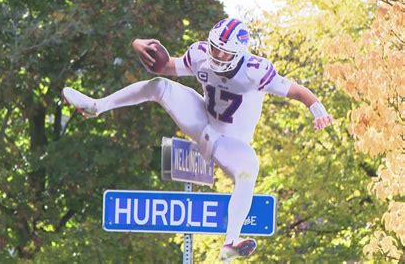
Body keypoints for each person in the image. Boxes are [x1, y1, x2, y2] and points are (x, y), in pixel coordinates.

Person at [62, 18, 333, 262]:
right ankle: (96, 106)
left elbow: (297, 90)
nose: (216, 55)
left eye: (223, 52)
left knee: (249, 169)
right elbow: (166, 67)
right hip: (202, 118)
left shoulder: (255, 71)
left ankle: (231, 241)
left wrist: (316, 108)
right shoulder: (201, 54)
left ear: (239, 54)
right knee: (159, 86)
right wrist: (137, 44)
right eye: (214, 48)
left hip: (230, 143)